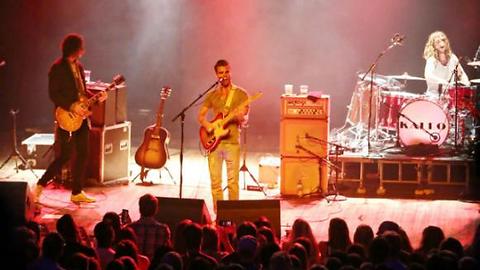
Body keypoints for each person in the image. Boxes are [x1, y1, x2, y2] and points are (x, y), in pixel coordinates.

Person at [34, 33, 107, 204]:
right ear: (75, 49)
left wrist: (97, 97)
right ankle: (40, 184)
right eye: (81, 47)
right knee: (65, 156)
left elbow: (82, 93)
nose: (83, 50)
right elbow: (54, 94)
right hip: (66, 116)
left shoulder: (79, 67)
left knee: (83, 154)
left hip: (81, 119)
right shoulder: (57, 68)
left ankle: (76, 192)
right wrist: (71, 106)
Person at [197, 59, 249, 211]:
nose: (224, 75)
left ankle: (233, 215)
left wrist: (237, 116)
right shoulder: (212, 95)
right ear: (216, 75)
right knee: (215, 183)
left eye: (227, 72)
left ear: (230, 71)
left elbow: (244, 118)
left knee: (233, 182)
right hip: (215, 144)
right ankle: (219, 216)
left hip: (232, 143)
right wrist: (210, 126)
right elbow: (201, 117)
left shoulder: (241, 94)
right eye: (221, 73)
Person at [423, 31, 470, 100]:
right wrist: (444, 82)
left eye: (443, 40)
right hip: (433, 96)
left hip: (449, 96)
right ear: (433, 45)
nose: (441, 43)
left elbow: (461, 74)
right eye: (438, 42)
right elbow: (428, 75)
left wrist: (466, 83)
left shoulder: (453, 58)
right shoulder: (432, 59)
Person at [127, 193, 171, 260]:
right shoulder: (163, 230)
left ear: (140, 209)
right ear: (155, 210)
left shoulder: (130, 228)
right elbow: (167, 253)